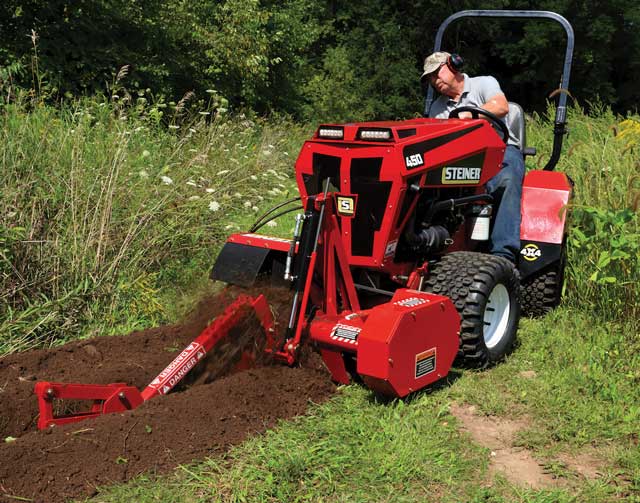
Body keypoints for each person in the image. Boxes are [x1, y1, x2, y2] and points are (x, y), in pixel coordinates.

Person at [421, 51, 524, 264]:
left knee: (507, 180)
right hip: (461, 155)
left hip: (500, 147)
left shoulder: (483, 83)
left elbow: (501, 106)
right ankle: (435, 245)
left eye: (436, 73)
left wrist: (470, 114)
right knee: (425, 185)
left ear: (453, 65)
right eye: (429, 78)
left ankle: (503, 255)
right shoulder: (437, 108)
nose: (434, 80)